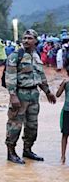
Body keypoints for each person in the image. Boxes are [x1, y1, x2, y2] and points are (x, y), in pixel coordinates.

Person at [5, 29, 57, 164]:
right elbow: (10, 76)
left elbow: (40, 76)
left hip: (34, 95)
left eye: (29, 38)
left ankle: (27, 150)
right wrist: (13, 95)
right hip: (20, 94)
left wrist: (48, 92)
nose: (26, 41)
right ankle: (11, 153)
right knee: (15, 124)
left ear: (35, 41)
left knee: (32, 125)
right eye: (24, 38)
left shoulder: (36, 55)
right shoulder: (16, 55)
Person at [56, 66, 69, 164]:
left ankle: (63, 157)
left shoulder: (66, 83)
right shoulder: (66, 83)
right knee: (65, 134)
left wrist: (63, 85)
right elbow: (57, 95)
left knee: (65, 135)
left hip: (66, 111)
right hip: (66, 111)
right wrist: (63, 85)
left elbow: (57, 95)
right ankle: (63, 157)